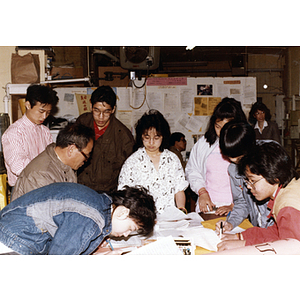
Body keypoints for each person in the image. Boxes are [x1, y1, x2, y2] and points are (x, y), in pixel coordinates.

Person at [0, 182, 156, 255]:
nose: (126, 235)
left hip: (16, 231)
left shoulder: (101, 204)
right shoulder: (92, 218)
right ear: (123, 213)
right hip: (15, 240)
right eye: (131, 228)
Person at [217, 142, 300, 252]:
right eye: (247, 181)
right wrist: (240, 237)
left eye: (253, 181)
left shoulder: (288, 207)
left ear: (275, 177)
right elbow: (275, 232)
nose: (248, 186)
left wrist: (244, 244)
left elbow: (290, 249)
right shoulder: (286, 190)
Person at [118, 109, 189, 214]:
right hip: (142, 218)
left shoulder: (172, 159)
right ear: (141, 136)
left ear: (163, 137)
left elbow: (179, 190)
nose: (151, 142)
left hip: (169, 218)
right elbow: (124, 194)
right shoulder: (132, 162)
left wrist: (181, 210)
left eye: (156, 138)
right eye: (147, 137)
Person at [185, 97, 247, 215]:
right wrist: (202, 192)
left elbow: (250, 179)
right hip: (208, 206)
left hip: (236, 208)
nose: (221, 132)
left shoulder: (244, 145)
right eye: (218, 126)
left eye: (226, 127)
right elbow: (192, 171)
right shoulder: (204, 143)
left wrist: (235, 205)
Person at [215, 121, 274, 234]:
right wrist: (230, 223)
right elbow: (242, 203)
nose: (235, 162)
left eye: (239, 158)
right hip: (258, 228)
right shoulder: (233, 169)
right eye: (229, 157)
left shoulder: (270, 155)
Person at [11, 123, 94, 201]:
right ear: (71, 150)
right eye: (86, 155)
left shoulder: (65, 164)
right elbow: (43, 212)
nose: (86, 160)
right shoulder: (41, 174)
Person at [76, 85, 134, 193]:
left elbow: (129, 173)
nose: (101, 117)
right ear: (90, 106)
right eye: (96, 110)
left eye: (106, 112)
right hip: (79, 187)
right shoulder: (82, 123)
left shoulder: (123, 136)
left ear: (113, 110)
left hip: (107, 193)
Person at [2, 84, 59, 188]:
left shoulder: (45, 131)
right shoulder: (14, 133)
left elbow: (52, 159)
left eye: (48, 113)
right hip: (23, 188)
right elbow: (18, 167)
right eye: (41, 111)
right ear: (28, 105)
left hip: (44, 184)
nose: (44, 116)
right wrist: (46, 171)